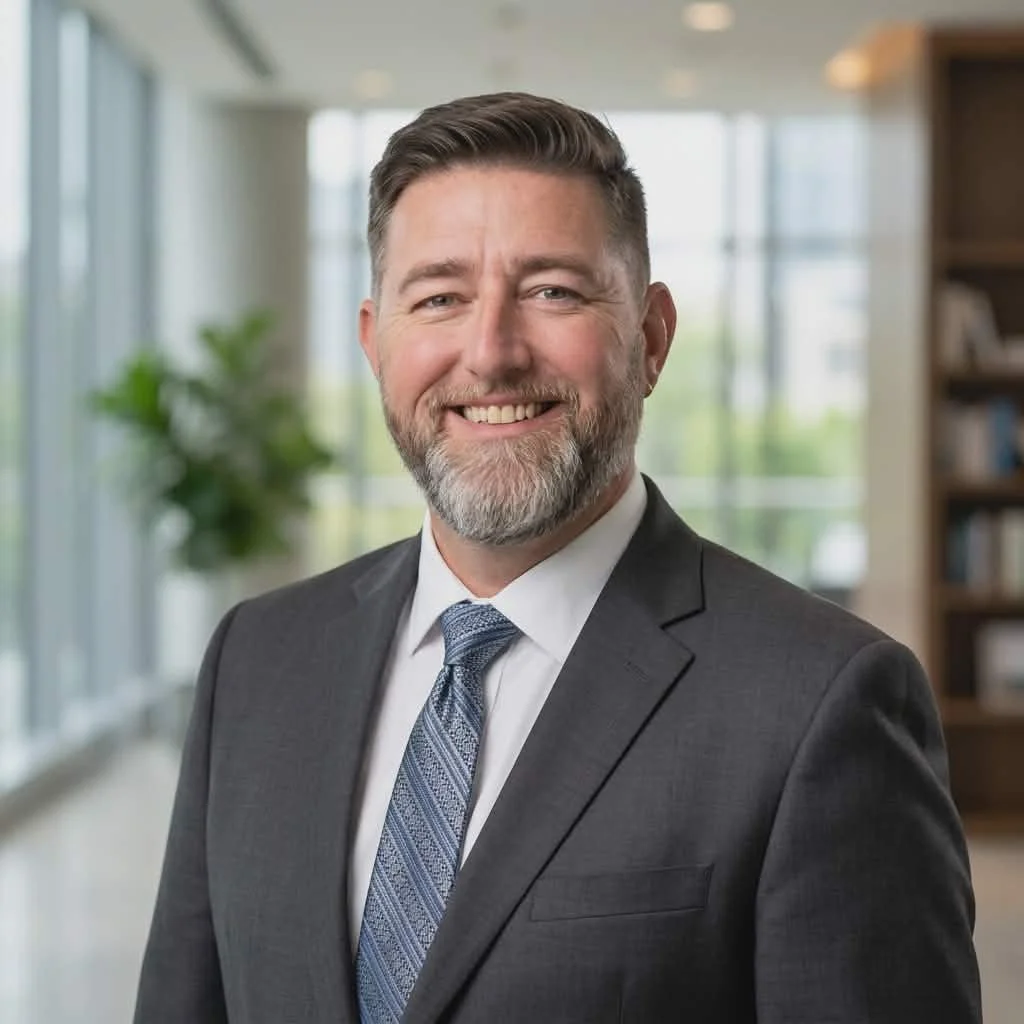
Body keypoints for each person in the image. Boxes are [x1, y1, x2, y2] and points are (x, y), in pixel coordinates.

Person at [134, 92, 982, 1024]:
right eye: (441, 297)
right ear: (377, 343)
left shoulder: (821, 703)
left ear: (651, 339)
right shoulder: (257, 659)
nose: (491, 354)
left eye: (552, 292)